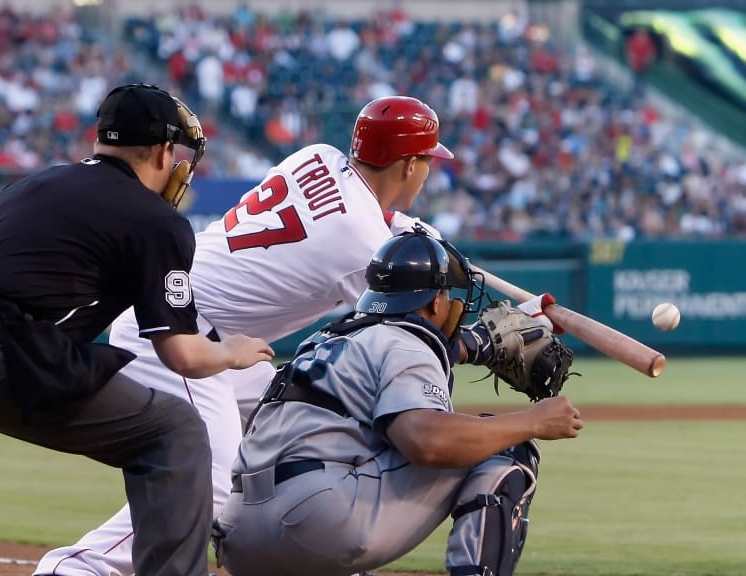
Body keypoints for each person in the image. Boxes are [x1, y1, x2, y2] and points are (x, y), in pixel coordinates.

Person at [35, 96, 493, 576]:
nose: (428, 173)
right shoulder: (361, 245)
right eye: (426, 161)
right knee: (208, 478)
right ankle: (76, 569)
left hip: (221, 344)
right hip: (178, 333)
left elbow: (384, 219)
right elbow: (417, 329)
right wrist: (482, 339)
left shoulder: (317, 157)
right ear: (409, 164)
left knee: (305, 435)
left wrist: (434, 238)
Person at [0, 83, 274, 576]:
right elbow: (184, 356)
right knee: (176, 433)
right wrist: (232, 351)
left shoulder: (39, 183)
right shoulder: (155, 220)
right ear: (165, 151)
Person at [213, 229, 583, 576]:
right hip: (316, 518)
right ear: (435, 300)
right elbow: (426, 441)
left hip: (241, 532)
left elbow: (407, 351)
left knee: (363, 451)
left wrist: (476, 345)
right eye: (450, 295)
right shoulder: (407, 345)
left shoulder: (329, 340)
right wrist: (532, 421)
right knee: (507, 446)